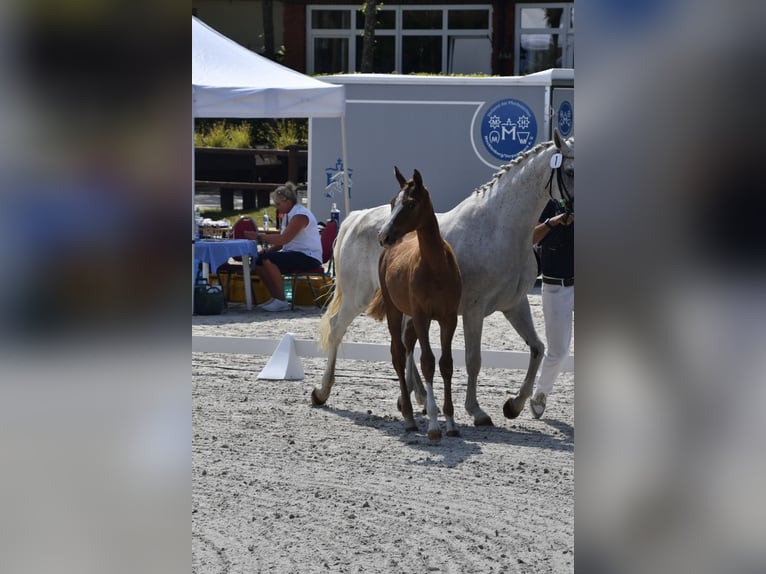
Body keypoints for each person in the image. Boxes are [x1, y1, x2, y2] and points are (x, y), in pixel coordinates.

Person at [244, 182, 322, 312]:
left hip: (309, 256)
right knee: (258, 260)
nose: (277, 207)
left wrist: (259, 237)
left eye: (278, 204)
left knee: (269, 260)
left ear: (289, 202)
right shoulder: (289, 215)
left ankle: (281, 300)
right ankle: (275, 297)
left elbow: (284, 239)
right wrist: (268, 250)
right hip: (295, 253)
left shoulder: (300, 215)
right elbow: (281, 243)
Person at [529, 198, 574, 418]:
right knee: (559, 350)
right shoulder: (551, 203)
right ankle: (541, 393)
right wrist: (553, 222)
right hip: (557, 284)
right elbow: (532, 237)